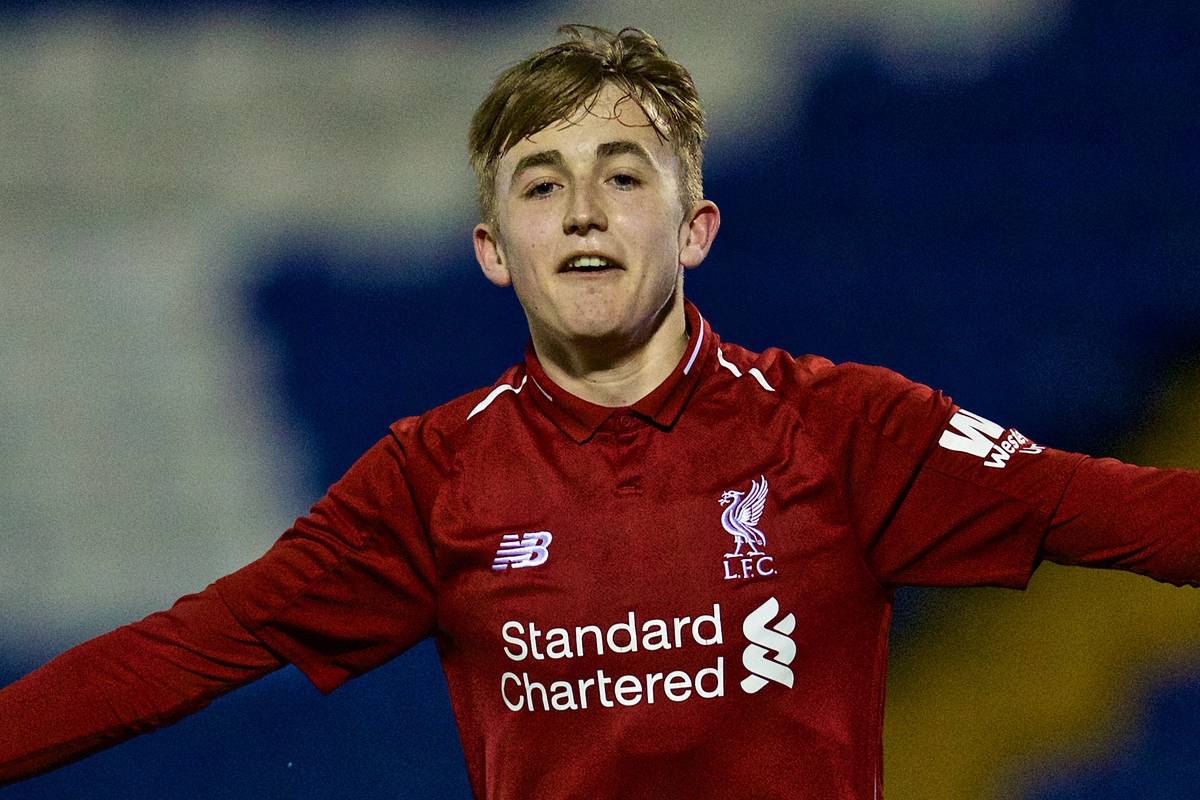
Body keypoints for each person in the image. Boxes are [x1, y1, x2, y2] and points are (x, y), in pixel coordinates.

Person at [2, 24, 1198, 800]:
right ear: (490, 248)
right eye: (542, 185)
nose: (582, 213)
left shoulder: (846, 429)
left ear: (694, 229)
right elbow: (187, 649)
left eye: (621, 175)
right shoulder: (433, 475)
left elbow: (1131, 513)